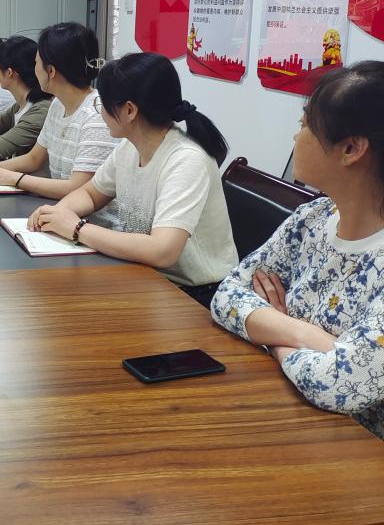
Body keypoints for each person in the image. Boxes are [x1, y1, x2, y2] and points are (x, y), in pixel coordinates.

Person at [212, 62, 384, 438]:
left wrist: (272, 334)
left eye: (305, 125)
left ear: (351, 149)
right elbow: (227, 295)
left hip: (356, 452)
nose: (296, 136)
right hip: (286, 417)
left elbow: (337, 384)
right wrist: (306, 335)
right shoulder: (314, 217)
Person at [31, 52, 237, 305]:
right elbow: (90, 193)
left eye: (103, 105)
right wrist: (58, 214)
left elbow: (163, 251)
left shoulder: (186, 160)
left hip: (194, 296)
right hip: (147, 277)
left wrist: (76, 229)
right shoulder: (130, 147)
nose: (101, 113)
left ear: (129, 110)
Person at [0, 23, 117, 220]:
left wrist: (13, 178)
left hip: (95, 222)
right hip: (62, 213)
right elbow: (34, 158)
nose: (34, 70)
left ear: (51, 71)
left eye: (36, 63)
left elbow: (78, 187)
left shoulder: (96, 116)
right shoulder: (57, 105)